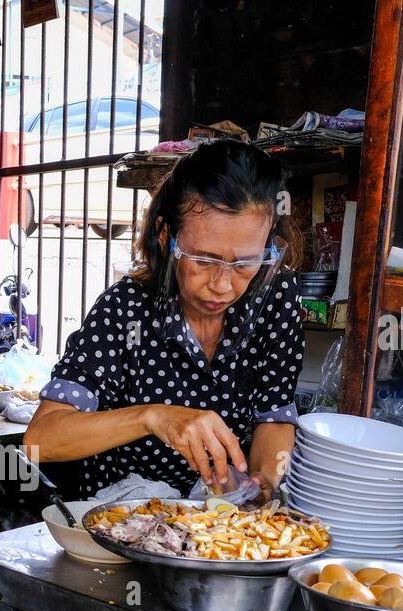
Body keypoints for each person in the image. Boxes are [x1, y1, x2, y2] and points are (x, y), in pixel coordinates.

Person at [24, 139, 304, 502]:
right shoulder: (126, 309)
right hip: (122, 517)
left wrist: (262, 481)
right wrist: (154, 417)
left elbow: (274, 413)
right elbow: (41, 438)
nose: (222, 284)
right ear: (166, 236)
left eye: (245, 263)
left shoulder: (275, 298)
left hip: (216, 528)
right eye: (204, 260)